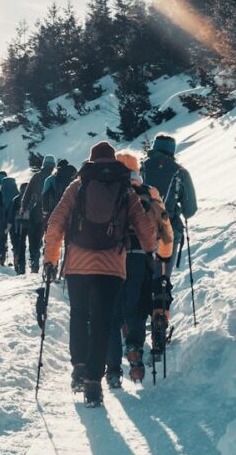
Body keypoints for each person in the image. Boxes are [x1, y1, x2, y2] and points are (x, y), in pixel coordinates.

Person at [42, 141, 159, 407]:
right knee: (102, 322)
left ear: (91, 160)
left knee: (79, 315)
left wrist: (50, 258)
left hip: (78, 264)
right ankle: (94, 383)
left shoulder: (79, 184)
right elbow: (145, 226)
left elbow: (56, 222)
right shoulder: (124, 188)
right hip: (112, 267)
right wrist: (150, 251)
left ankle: (79, 370)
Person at [103, 151, 175, 386]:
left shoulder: (107, 191)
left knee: (112, 315)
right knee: (137, 309)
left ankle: (113, 370)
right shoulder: (150, 193)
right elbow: (165, 229)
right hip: (141, 259)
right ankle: (134, 347)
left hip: (112, 259)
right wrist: (162, 257)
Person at [141, 134, 197, 264]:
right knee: (161, 280)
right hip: (168, 233)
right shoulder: (180, 172)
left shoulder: (141, 168)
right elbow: (190, 210)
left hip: (139, 231)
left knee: (140, 278)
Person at [15, 155, 57, 274]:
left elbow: (27, 194)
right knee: (49, 238)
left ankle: (34, 261)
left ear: (43, 164)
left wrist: (23, 208)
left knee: (34, 238)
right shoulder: (54, 177)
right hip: (51, 212)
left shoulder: (37, 176)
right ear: (53, 165)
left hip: (36, 212)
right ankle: (49, 263)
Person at [0, 174, 20, 266]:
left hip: (2, 219)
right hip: (14, 220)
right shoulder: (17, 194)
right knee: (15, 239)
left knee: (2, 238)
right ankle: (17, 256)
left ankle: (1, 257)